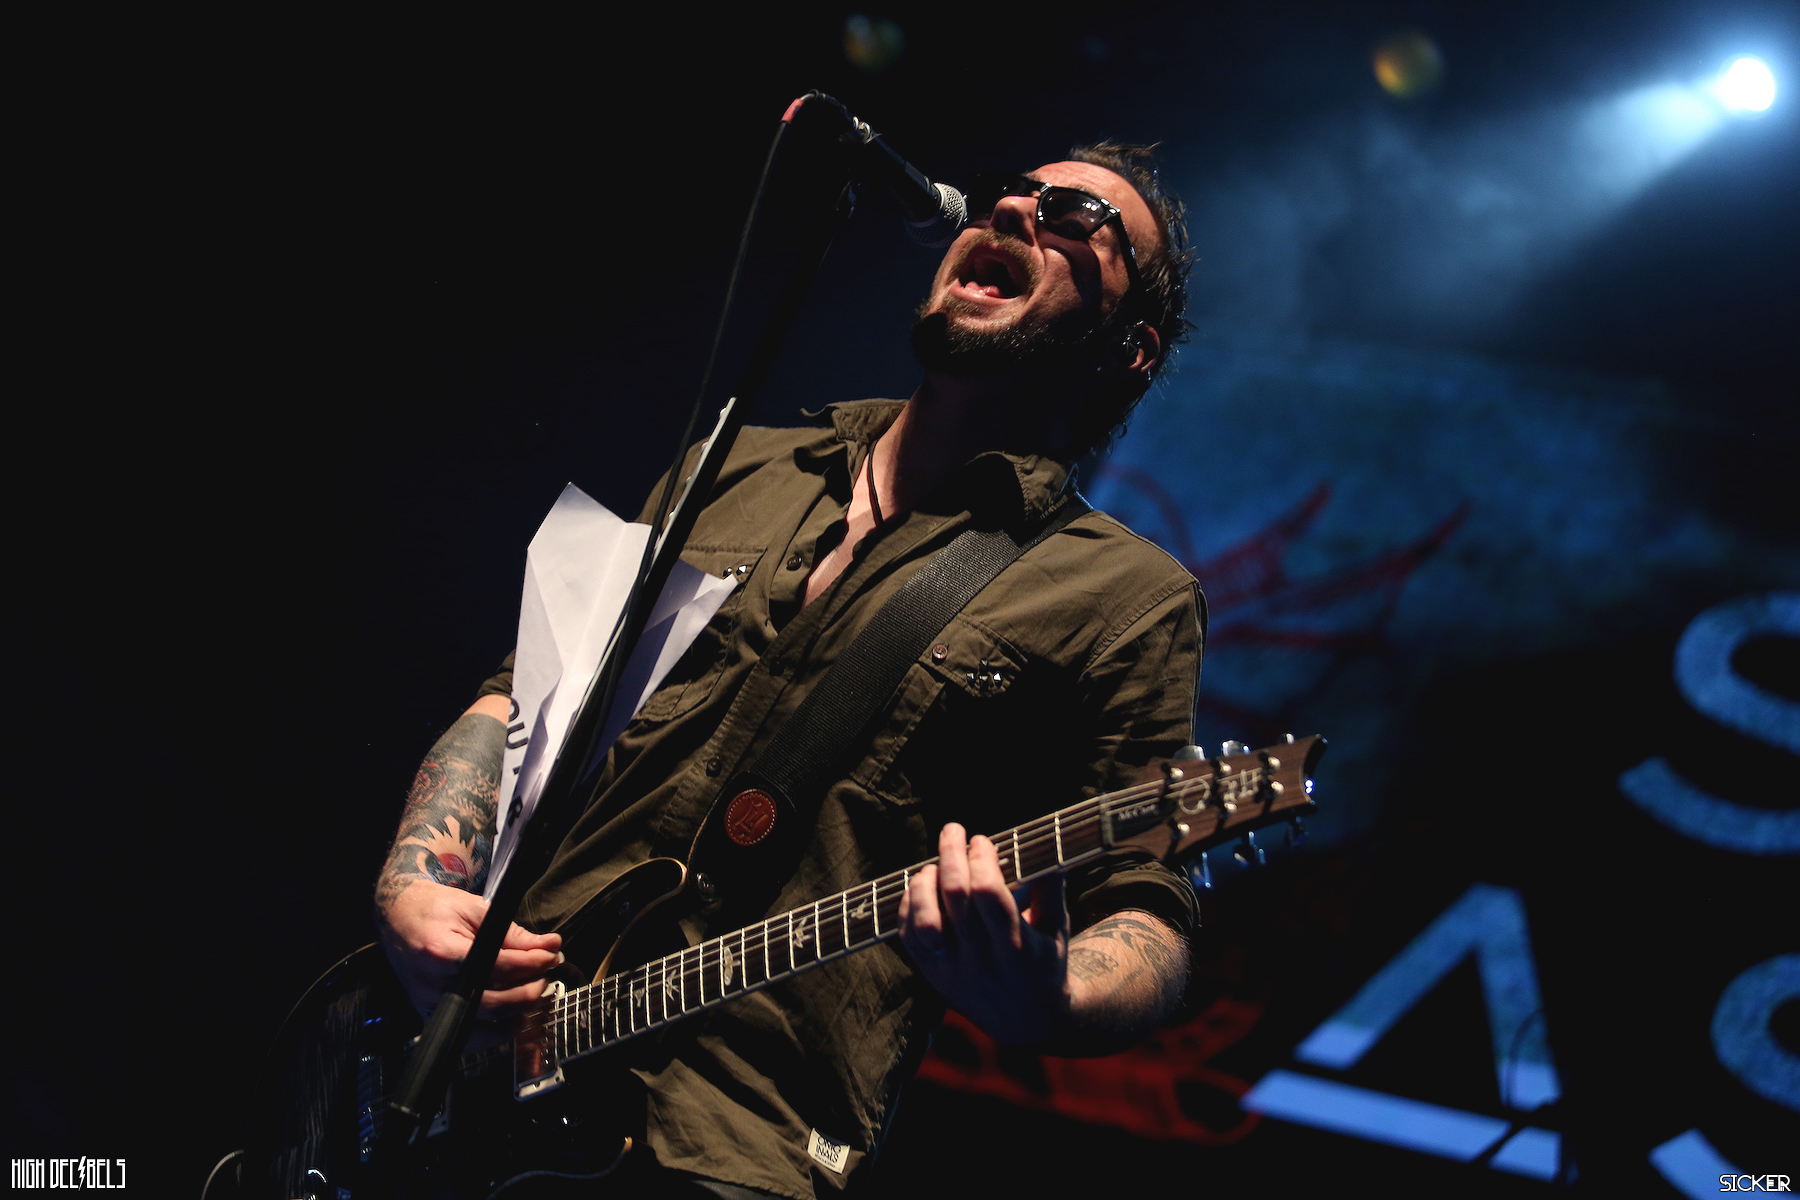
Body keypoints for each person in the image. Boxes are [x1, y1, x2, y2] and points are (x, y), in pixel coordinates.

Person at [374, 142, 1205, 1198]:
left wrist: (1053, 997)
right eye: (1012, 190)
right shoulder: (734, 467)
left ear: (1130, 348)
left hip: (733, 1144)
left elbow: (1144, 904)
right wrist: (415, 884)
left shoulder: (1123, 597)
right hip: (470, 1066)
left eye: (1074, 213)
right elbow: (520, 697)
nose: (1011, 210)